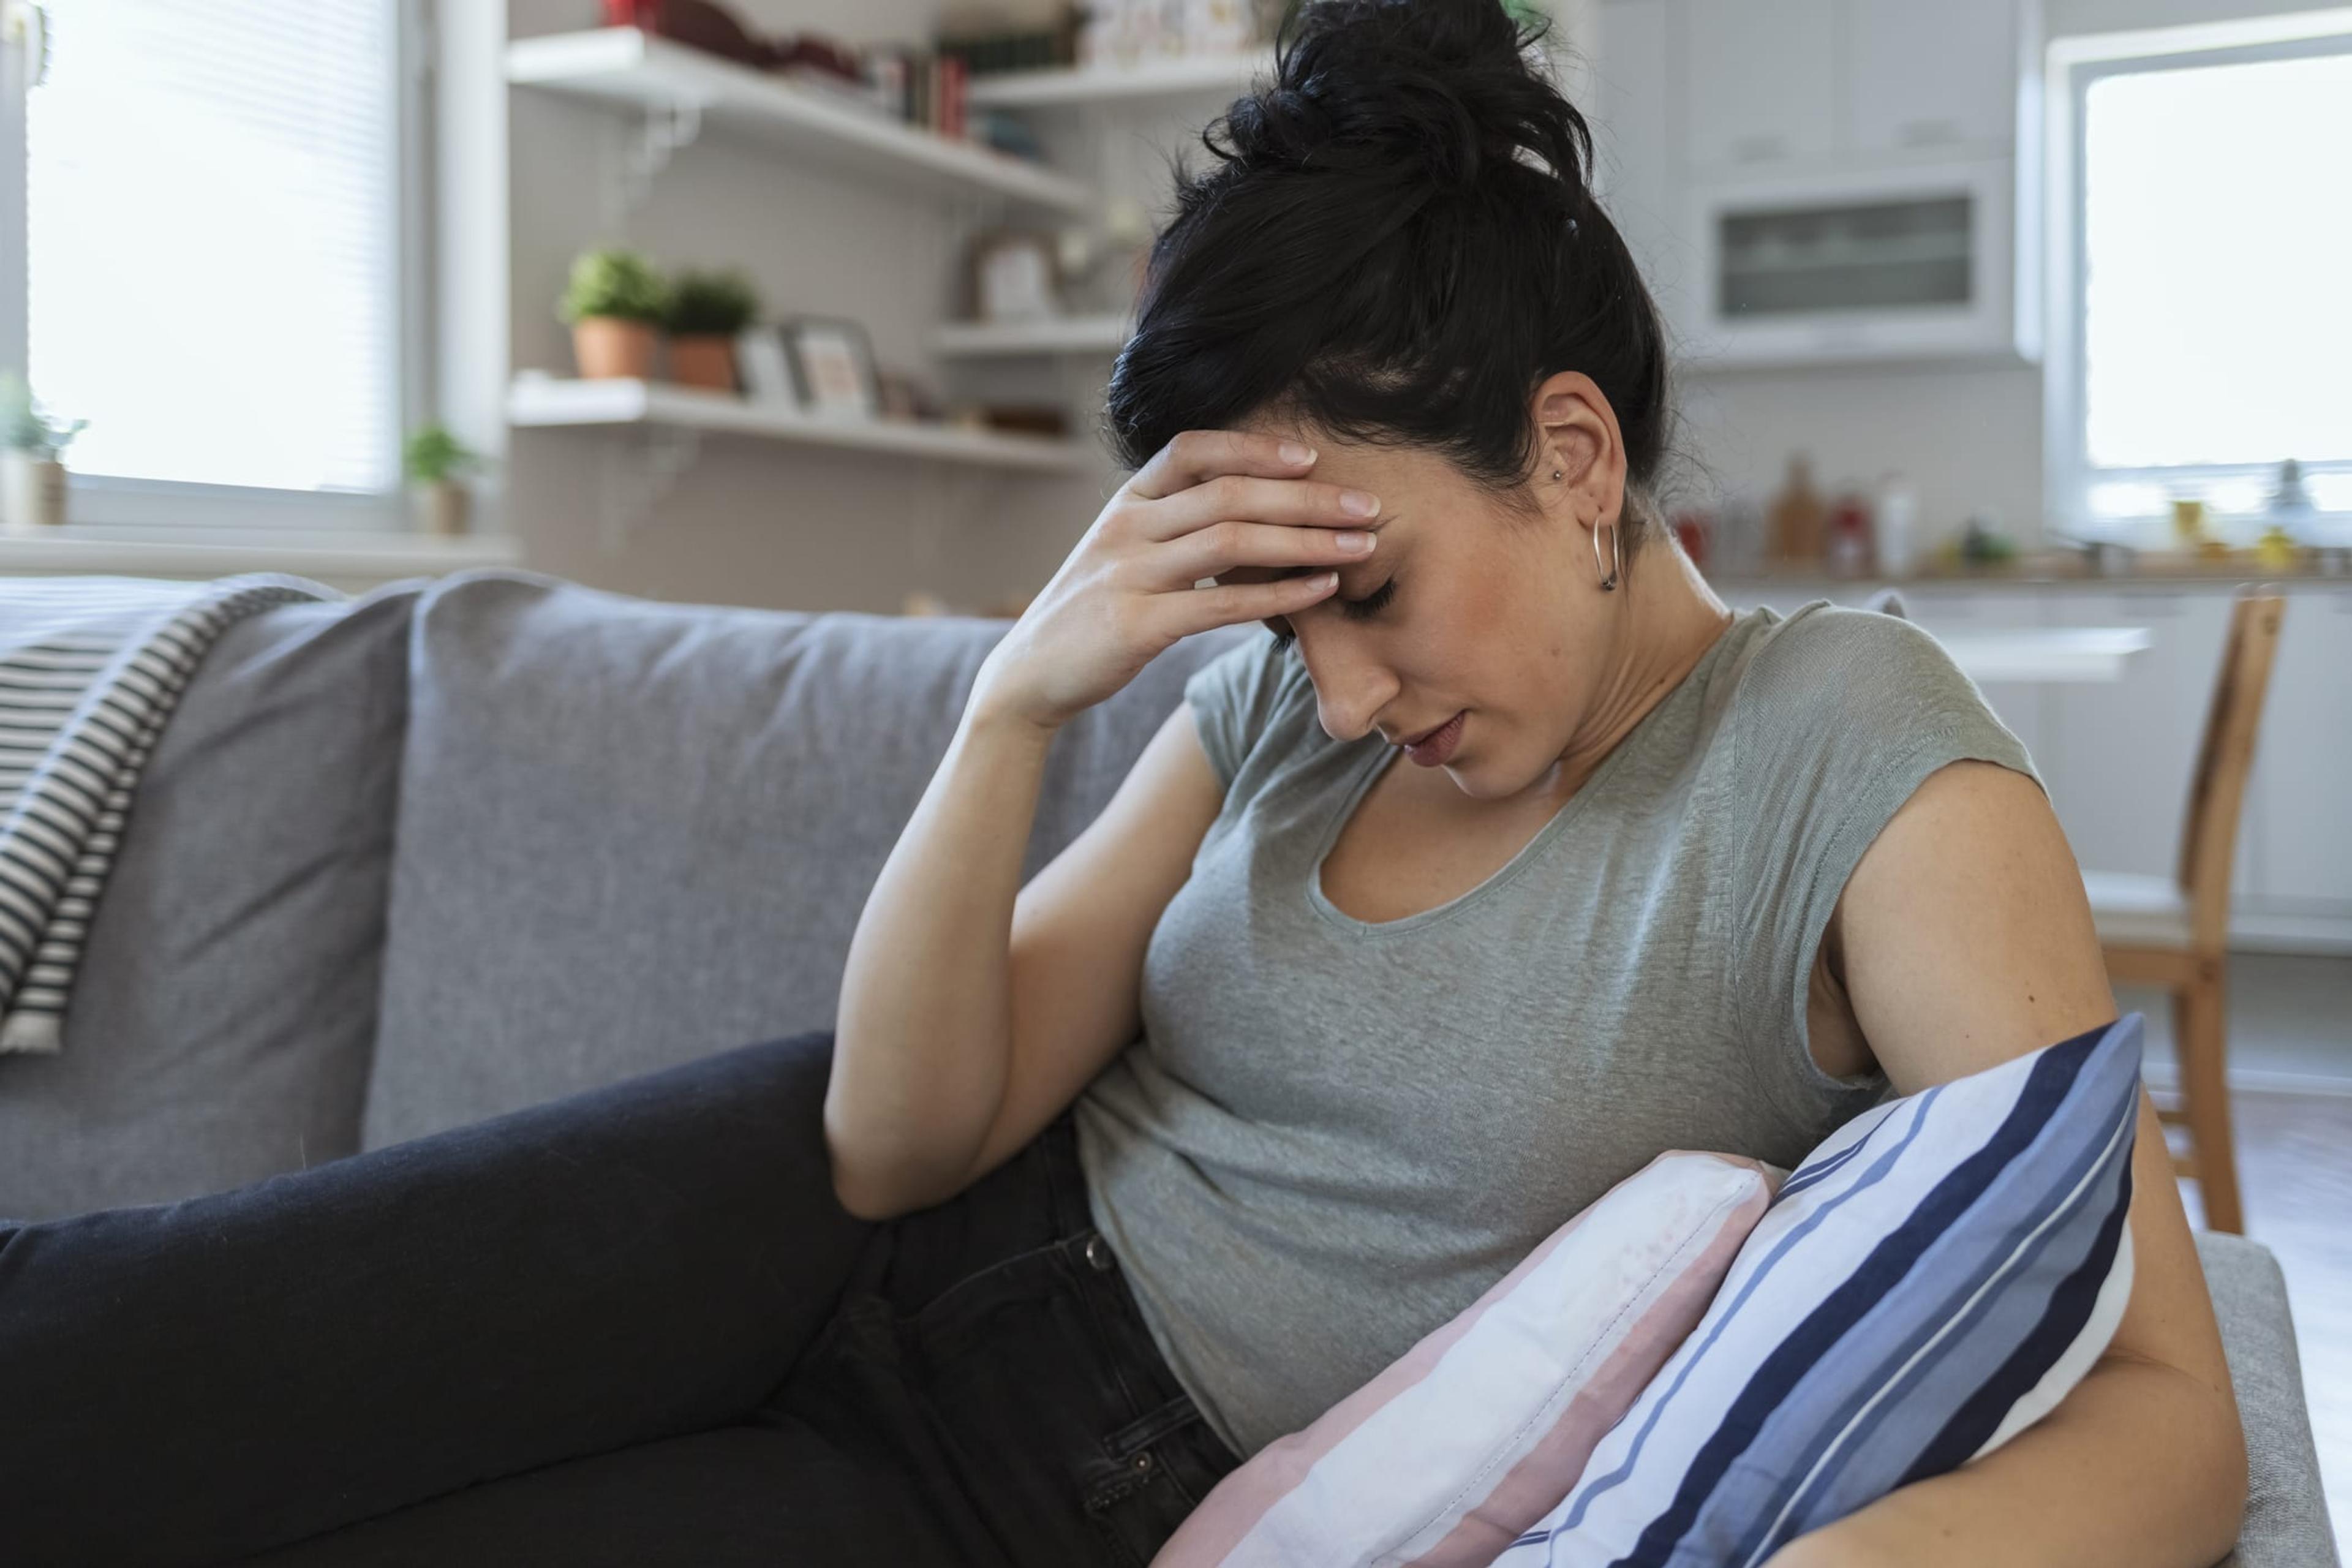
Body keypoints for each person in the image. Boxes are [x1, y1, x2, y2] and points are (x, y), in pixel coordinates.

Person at [3, 2, 2245, 1566]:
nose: (1341, 695)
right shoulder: (1273, 700)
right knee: (121, 1353)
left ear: (1572, 459)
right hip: (831, 1248)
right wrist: (1009, 705)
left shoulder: (1852, 754)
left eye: (1372, 593)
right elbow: (899, 1136)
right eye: (1291, 620)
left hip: (1052, 1503)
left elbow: (2166, 1410)